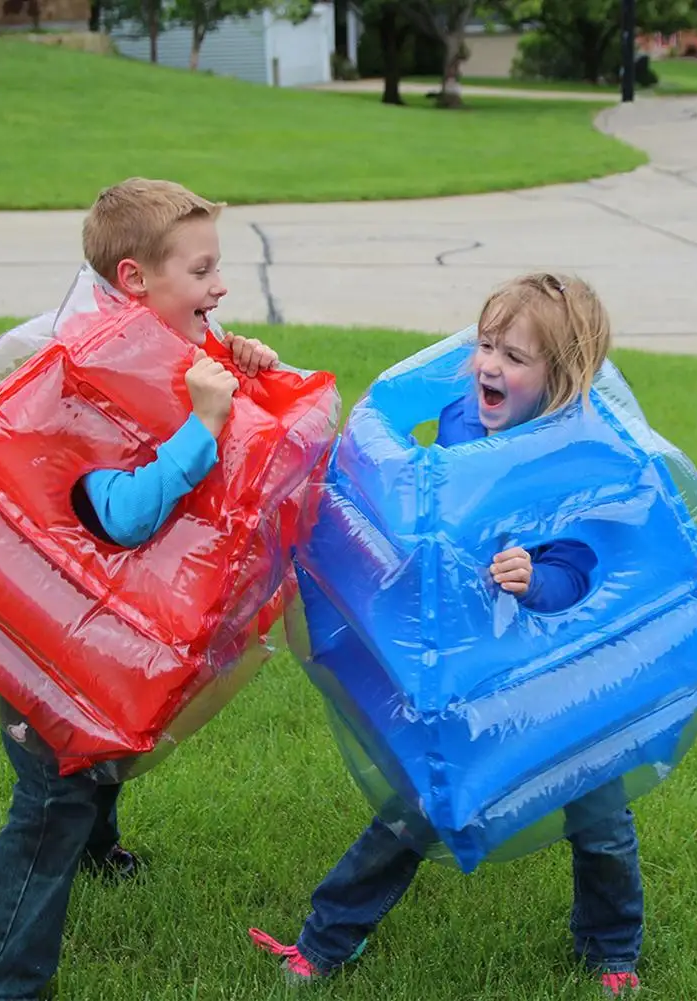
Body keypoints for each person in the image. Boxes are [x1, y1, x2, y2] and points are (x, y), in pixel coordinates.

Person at [250, 273, 643, 998]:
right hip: (469, 669)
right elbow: (427, 495)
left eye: (513, 357)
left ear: (561, 379)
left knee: (601, 822)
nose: (488, 364)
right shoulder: (462, 417)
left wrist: (538, 577)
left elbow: (583, 565)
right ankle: (325, 938)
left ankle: (612, 950)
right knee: (415, 805)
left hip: (558, 679)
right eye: (485, 345)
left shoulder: (573, 457)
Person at [0, 178, 279, 1001]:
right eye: (201, 271)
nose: (220, 285)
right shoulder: (83, 371)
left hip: (77, 625)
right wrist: (202, 424)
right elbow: (121, 515)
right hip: (42, 636)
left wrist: (231, 359)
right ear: (134, 279)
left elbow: (170, 386)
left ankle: (96, 849)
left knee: (106, 729)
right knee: (52, 792)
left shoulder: (138, 342)